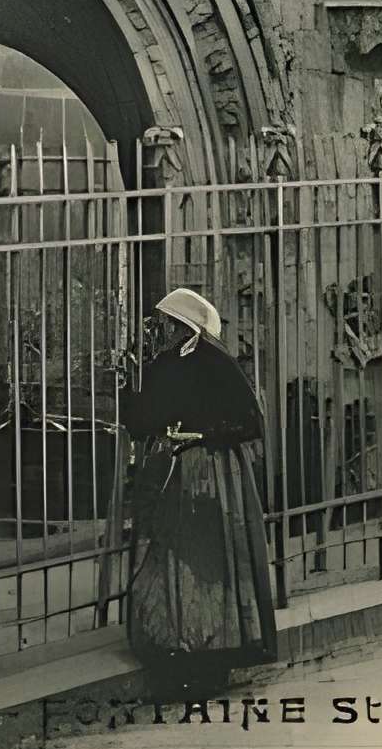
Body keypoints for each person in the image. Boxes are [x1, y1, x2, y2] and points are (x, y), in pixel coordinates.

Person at [119, 286, 278, 690]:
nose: (164, 331)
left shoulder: (216, 364)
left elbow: (249, 423)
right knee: (170, 557)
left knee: (209, 561)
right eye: (163, 324)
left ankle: (215, 650)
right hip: (173, 476)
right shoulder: (162, 365)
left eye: (170, 324)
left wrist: (204, 436)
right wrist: (127, 387)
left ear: (188, 328)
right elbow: (142, 424)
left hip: (214, 477)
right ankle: (175, 647)